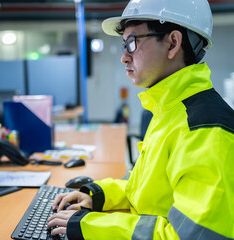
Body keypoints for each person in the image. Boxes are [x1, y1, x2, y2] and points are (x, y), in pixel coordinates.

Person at [47, 0, 234, 239]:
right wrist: (97, 195)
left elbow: (191, 236)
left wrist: (92, 227)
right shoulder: (170, 111)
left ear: (173, 43)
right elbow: (144, 190)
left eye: (132, 43)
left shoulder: (205, 130)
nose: (124, 57)